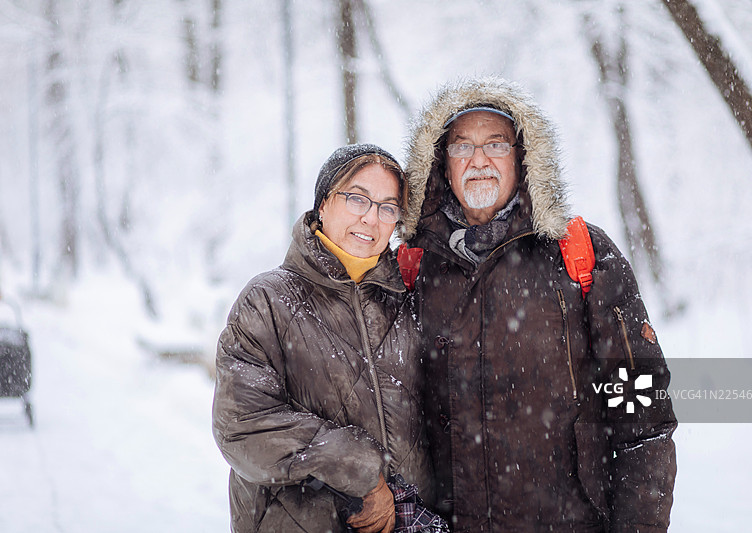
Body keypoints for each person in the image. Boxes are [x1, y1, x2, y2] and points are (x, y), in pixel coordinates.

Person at [398, 77, 678, 532]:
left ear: (523, 156)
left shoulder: (581, 253)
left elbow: (642, 421)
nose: (479, 160)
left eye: (496, 143)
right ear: (440, 163)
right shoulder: (410, 269)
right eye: (462, 146)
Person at [212, 144, 433, 533]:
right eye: (357, 199)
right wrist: (362, 470)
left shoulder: (407, 301)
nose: (371, 218)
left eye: (387, 207)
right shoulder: (268, 300)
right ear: (323, 203)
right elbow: (242, 426)